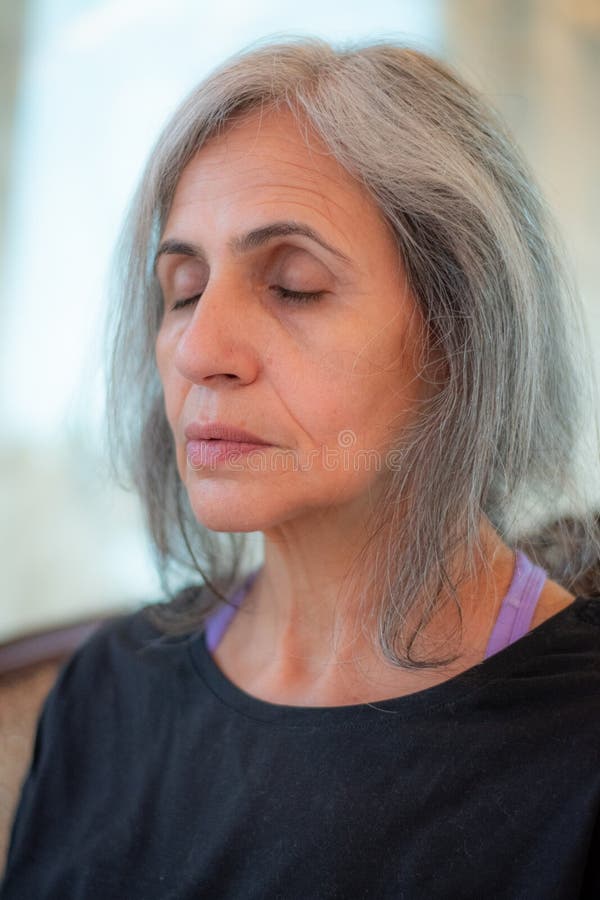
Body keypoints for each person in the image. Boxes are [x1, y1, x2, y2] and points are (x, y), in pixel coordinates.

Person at [2, 36, 599, 899]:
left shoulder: (576, 750)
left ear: (459, 335)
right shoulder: (106, 692)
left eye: (292, 286)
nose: (201, 348)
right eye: (182, 290)